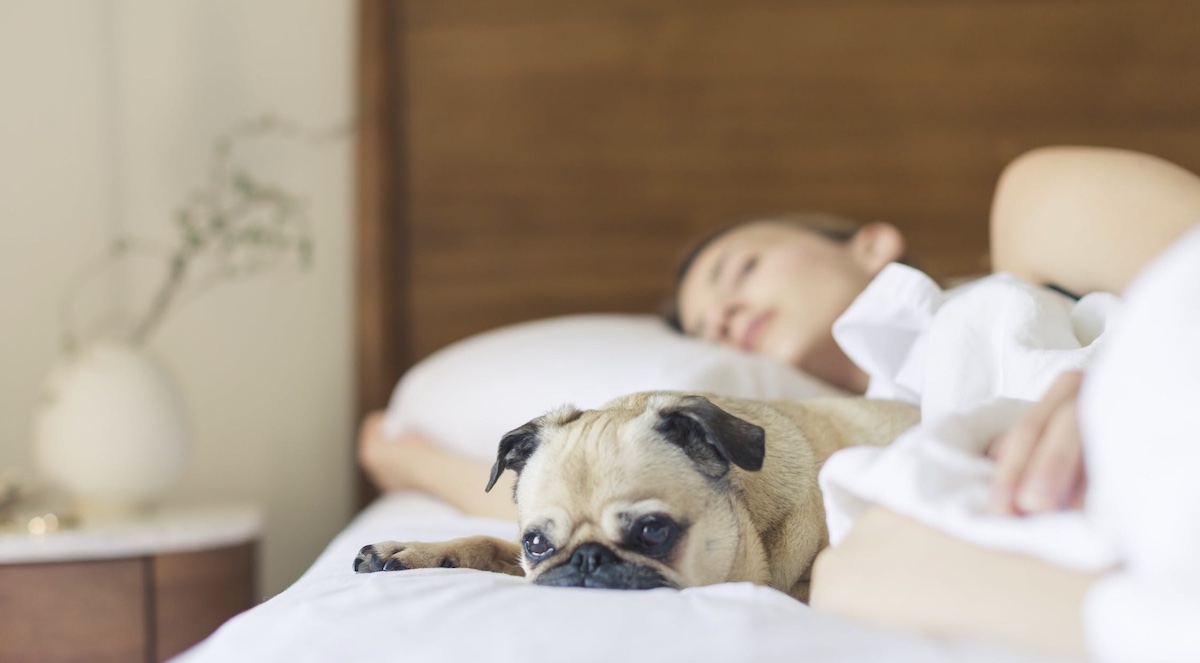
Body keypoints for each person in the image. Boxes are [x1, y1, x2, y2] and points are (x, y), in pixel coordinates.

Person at [357, 146, 1200, 656]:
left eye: (740, 270)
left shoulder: (1030, 233)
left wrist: (1108, 380)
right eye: (706, 329)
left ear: (870, 245)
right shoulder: (841, 495)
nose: (721, 314)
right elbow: (584, 498)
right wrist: (407, 458)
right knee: (855, 577)